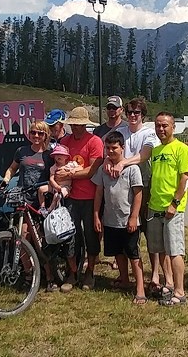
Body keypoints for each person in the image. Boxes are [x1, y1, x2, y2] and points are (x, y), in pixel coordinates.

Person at [104, 98, 165, 297]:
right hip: (120, 187)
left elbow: (144, 155)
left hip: (144, 186)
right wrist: (107, 160)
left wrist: (123, 163)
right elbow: (112, 147)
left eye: (136, 112)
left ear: (143, 115)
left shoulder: (148, 133)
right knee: (123, 230)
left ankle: (155, 275)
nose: (132, 115)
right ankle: (125, 276)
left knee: (149, 232)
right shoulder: (121, 132)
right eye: (129, 112)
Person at [1, 121, 61, 292]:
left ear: (45, 136)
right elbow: (12, 169)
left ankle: (49, 277)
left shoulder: (50, 155)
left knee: (42, 240)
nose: (36, 136)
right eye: (33, 133)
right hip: (23, 200)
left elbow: (54, 176)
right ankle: (29, 274)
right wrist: (6, 180)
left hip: (42, 203)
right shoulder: (21, 151)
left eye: (40, 134)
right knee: (22, 238)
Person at [91, 130, 146, 303]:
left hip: (128, 220)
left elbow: (138, 194)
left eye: (114, 148)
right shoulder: (103, 169)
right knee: (118, 253)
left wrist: (133, 217)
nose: (111, 151)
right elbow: (99, 193)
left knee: (133, 255)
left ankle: (140, 289)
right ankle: (124, 279)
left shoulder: (132, 169)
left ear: (122, 148)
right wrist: (96, 216)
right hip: (110, 219)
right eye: (108, 148)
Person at [54, 106, 104, 292]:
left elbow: (92, 171)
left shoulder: (95, 142)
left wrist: (68, 174)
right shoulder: (64, 141)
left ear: (86, 125)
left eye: (80, 125)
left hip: (91, 197)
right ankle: (73, 271)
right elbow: (58, 162)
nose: (76, 128)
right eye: (73, 125)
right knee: (70, 235)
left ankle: (90, 271)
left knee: (91, 235)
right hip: (71, 197)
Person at [148, 112, 188, 306]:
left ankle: (180, 292)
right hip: (155, 207)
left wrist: (174, 203)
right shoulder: (156, 151)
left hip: (172, 208)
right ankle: (168, 282)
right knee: (161, 249)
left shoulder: (181, 149)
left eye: (165, 125)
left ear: (173, 127)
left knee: (175, 250)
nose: (161, 129)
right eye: (158, 125)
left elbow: (185, 178)